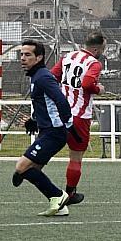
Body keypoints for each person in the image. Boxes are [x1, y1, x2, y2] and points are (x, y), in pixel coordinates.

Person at [13, 40, 79, 217]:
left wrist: (68, 124)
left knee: (22, 167)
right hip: (47, 130)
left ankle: (58, 195)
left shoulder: (43, 76)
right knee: (31, 170)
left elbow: (60, 100)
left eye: (28, 55)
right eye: (21, 54)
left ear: (39, 57)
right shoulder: (36, 76)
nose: (23, 58)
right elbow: (46, 104)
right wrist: (35, 120)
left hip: (54, 133)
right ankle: (60, 206)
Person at [49, 31, 106, 204]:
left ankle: (26, 169)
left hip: (60, 113)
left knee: (46, 149)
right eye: (104, 47)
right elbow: (88, 84)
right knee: (75, 157)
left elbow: (52, 76)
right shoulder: (94, 64)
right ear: (96, 49)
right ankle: (70, 193)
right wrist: (99, 89)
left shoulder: (67, 57)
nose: (105, 50)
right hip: (79, 116)